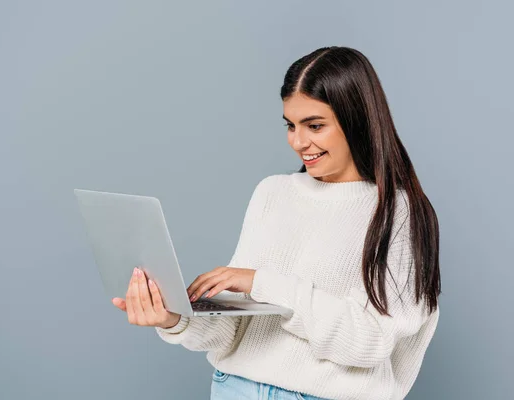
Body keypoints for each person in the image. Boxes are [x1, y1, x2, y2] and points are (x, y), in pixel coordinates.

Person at [112, 46, 441, 400]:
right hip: (234, 389)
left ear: (357, 119)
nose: (299, 142)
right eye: (291, 125)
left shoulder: (397, 213)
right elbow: (235, 333)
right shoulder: (272, 193)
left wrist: (262, 283)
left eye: (315, 125)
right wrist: (173, 318)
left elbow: (370, 341)